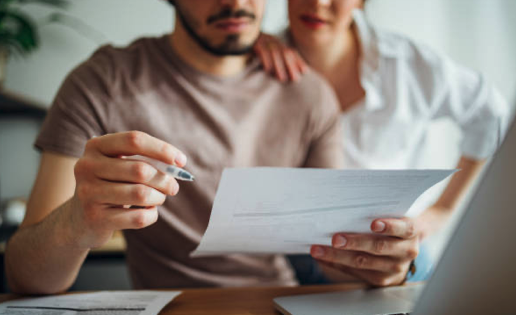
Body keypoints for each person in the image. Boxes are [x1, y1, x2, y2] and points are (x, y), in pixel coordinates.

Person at [5, 0, 422, 295]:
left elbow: (331, 255)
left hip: (282, 309)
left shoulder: (309, 94)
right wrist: (79, 222)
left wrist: (379, 266)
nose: (236, 2)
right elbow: (26, 278)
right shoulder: (102, 83)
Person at [254, 0, 509, 283]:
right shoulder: (250, 60)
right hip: (293, 256)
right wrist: (246, 43)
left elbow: (491, 114)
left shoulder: (408, 65)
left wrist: (442, 211)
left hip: (392, 249)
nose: (318, 3)